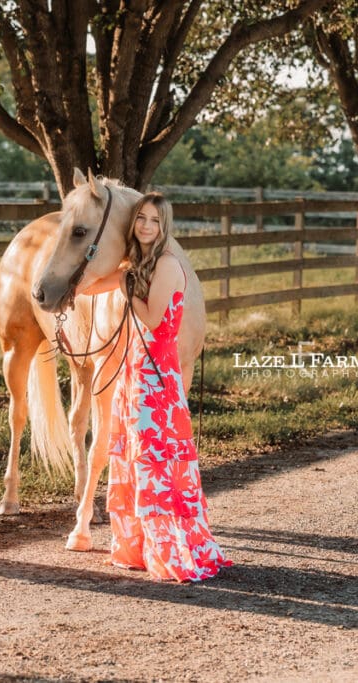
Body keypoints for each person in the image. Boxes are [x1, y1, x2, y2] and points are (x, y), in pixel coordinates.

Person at [81, 192, 232, 582]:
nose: (146, 226)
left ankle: (170, 548)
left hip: (157, 374)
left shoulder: (165, 265)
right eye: (141, 219)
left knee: (155, 460)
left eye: (154, 220)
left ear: (165, 227)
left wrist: (126, 285)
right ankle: (138, 545)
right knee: (133, 455)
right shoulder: (138, 264)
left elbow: (150, 318)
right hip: (136, 368)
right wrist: (74, 276)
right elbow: (91, 286)